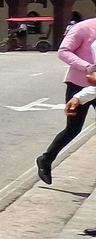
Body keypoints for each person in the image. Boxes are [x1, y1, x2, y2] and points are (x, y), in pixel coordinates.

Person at [37, 12, 96, 185]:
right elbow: (63, 51)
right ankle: (46, 160)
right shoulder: (83, 28)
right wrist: (87, 67)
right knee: (73, 129)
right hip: (79, 84)